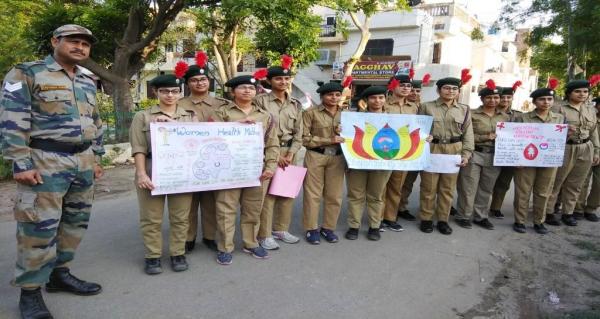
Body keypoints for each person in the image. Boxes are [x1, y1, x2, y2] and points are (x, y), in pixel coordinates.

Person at [0, 24, 104, 319]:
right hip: (46, 159)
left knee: (74, 223)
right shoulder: (27, 73)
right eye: (73, 41)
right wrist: (20, 163)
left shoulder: (85, 80)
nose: (80, 47)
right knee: (38, 228)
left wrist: (96, 157)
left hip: (82, 161)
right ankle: (30, 293)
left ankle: (60, 274)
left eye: (85, 43)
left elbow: (95, 121)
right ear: (55, 41)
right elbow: (12, 119)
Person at [130, 74, 196, 275]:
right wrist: (141, 174)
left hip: (181, 173)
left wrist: (172, 126)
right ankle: (153, 256)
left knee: (181, 217)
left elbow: (196, 142)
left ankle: (178, 253)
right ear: (155, 92)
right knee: (151, 218)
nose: (170, 95)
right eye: (164, 91)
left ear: (180, 93)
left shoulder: (190, 116)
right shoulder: (143, 116)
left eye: (174, 91)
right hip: (151, 171)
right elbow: (139, 148)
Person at [212, 74, 279, 265]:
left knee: (253, 208)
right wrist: (235, 126)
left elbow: (272, 144)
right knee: (226, 209)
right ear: (233, 92)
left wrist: (271, 166)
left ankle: (250, 243)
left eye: (251, 88)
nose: (247, 91)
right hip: (228, 170)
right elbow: (212, 136)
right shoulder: (222, 113)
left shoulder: (265, 115)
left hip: (256, 170)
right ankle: (225, 247)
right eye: (242, 88)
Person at [178, 52, 230, 253]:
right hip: (187, 160)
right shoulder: (179, 104)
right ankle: (188, 238)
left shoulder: (222, 104)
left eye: (203, 79)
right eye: (194, 80)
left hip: (213, 160)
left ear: (208, 81)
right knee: (188, 203)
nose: (199, 83)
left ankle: (209, 236)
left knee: (211, 202)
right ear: (187, 83)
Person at [254, 55, 303, 250]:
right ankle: (264, 234)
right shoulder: (260, 102)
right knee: (267, 195)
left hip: (290, 152)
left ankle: (281, 229)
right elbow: (259, 129)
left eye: (286, 78)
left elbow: (299, 132)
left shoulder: (296, 104)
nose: (283, 82)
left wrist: (291, 153)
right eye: (278, 79)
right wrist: (276, 155)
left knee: (286, 193)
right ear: (269, 81)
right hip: (268, 152)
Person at [418, 74, 474, 235]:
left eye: (454, 89)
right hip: (432, 149)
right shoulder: (426, 107)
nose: (450, 91)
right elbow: (418, 128)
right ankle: (426, 218)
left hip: (453, 150)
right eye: (447, 88)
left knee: (447, 189)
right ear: (438, 90)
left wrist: (466, 154)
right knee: (428, 187)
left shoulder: (464, 109)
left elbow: (468, 134)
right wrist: (423, 138)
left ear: (458, 91)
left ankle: (443, 220)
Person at [545, 79, 600, 226]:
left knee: (576, 183)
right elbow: (547, 129)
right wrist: (564, 132)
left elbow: (593, 131)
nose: (582, 94)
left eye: (585, 91)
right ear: (569, 93)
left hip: (585, 147)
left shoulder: (590, 109)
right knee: (556, 181)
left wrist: (596, 151)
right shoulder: (558, 108)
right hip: (564, 147)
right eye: (578, 91)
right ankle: (549, 211)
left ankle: (568, 213)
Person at [455, 80, 508, 230]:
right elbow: (465, 135)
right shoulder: (471, 114)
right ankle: (463, 215)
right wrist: (485, 137)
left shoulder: (505, 117)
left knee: (486, 188)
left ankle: (480, 216)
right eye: (489, 97)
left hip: (495, 155)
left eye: (496, 98)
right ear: (482, 99)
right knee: (468, 187)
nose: (493, 100)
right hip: (475, 152)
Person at [512, 87, 564, 234]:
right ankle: (519, 221)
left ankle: (539, 221)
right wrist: (517, 158)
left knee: (543, 192)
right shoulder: (523, 118)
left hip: (548, 161)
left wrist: (567, 133)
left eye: (549, 99)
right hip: (526, 160)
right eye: (542, 99)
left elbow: (558, 140)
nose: (546, 102)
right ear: (534, 102)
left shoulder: (559, 119)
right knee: (523, 191)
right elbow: (515, 139)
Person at [345, 86, 394, 241]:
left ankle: (374, 226)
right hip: (358, 162)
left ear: (385, 99)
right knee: (355, 195)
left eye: (381, 97)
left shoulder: (394, 120)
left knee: (376, 196)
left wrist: (425, 138)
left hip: (382, 163)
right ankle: (354, 226)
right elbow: (347, 137)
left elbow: (403, 139)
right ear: (366, 101)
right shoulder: (354, 119)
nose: (377, 101)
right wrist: (341, 129)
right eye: (373, 98)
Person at [302, 82, 346, 244]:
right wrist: (329, 139)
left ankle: (328, 228)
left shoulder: (346, 114)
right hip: (316, 156)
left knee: (334, 195)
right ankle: (311, 229)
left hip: (338, 158)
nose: (334, 98)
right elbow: (304, 138)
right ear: (322, 97)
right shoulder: (310, 113)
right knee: (313, 195)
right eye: (330, 95)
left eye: (337, 94)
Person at [381, 75, 419, 231]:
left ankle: (390, 218)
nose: (405, 88)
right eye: (402, 85)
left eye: (408, 86)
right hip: (383, 149)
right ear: (393, 86)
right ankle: (378, 217)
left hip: (404, 152)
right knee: (381, 186)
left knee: (397, 186)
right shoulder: (383, 103)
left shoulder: (415, 107)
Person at [489, 83, 523, 219]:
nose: (505, 100)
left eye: (509, 97)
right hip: (490, 151)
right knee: (485, 183)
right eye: (503, 97)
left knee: (503, 183)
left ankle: (496, 207)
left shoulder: (519, 116)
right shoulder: (489, 112)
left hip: (509, 155)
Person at [397, 76, 428, 220]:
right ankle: (393, 209)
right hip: (397, 149)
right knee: (397, 183)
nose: (414, 93)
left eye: (417, 90)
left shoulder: (421, 107)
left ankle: (401, 206)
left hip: (417, 149)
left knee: (409, 182)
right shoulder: (393, 104)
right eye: (412, 89)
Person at [573, 96, 600, 221]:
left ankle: (591, 209)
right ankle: (578, 208)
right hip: (588, 151)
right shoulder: (589, 115)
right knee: (581, 181)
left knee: (598, 184)